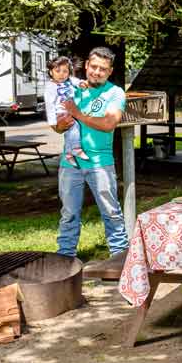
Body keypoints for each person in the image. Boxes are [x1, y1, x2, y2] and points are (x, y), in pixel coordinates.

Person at [52, 47, 128, 257]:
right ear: (86, 65)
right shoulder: (72, 89)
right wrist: (60, 125)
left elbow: (108, 123)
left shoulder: (115, 93)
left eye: (102, 69)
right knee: (68, 214)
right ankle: (65, 260)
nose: (97, 72)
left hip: (100, 163)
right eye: (93, 67)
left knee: (111, 213)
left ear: (110, 71)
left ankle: (120, 259)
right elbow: (56, 126)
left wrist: (77, 113)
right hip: (70, 164)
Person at [44, 56, 89, 164]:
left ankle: (69, 154)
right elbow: (49, 105)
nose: (61, 74)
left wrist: (81, 83)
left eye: (65, 71)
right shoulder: (51, 87)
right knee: (75, 126)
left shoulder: (69, 80)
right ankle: (76, 149)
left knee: (70, 132)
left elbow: (76, 81)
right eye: (57, 71)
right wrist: (52, 122)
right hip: (61, 112)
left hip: (70, 110)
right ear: (51, 72)